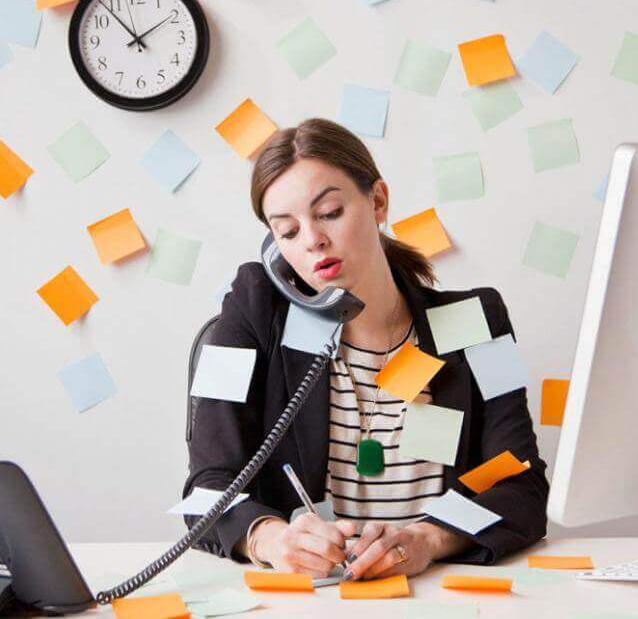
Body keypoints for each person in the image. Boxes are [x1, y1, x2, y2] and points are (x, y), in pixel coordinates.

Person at [184, 118, 548, 581]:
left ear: (377, 201)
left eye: (330, 212)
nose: (313, 240)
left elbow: (522, 485)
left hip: (436, 592)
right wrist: (272, 539)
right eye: (288, 231)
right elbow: (205, 489)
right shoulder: (252, 309)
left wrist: (429, 539)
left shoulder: (475, 320)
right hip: (309, 598)